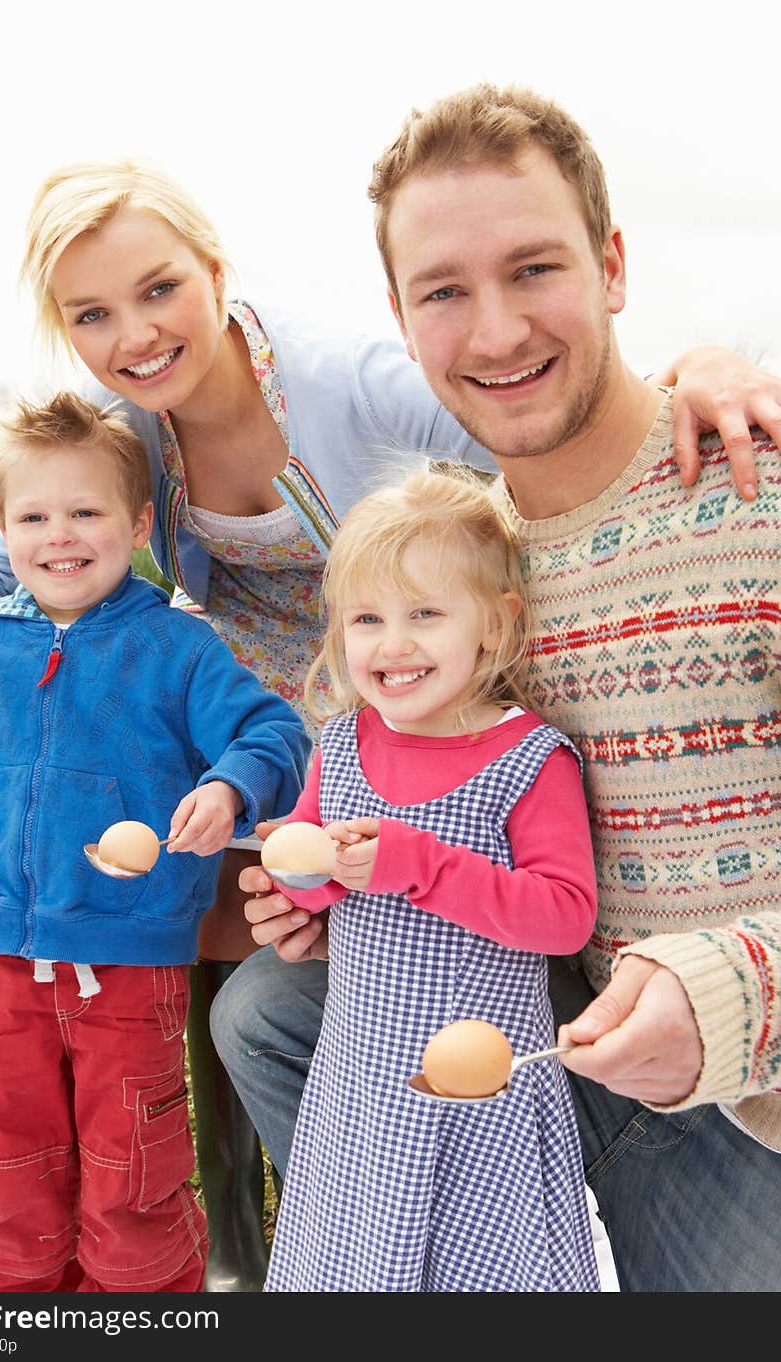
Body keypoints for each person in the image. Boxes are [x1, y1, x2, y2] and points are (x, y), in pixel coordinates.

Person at [0, 160, 778, 1292]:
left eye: (158, 288)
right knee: (247, 960)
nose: (134, 333)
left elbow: (526, 395)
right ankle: (300, 1230)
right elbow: (27, 523)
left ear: (217, 273)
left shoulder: (351, 385)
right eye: (91, 315)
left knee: (291, 953)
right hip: (299, 733)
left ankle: (442, 1199)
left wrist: (693, 370)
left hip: (419, 709)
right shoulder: (136, 425)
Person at [216, 82, 781, 1293]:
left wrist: (741, 985)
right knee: (268, 1006)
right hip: (533, 1022)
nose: (492, 334)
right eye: (444, 292)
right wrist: (328, 895)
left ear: (613, 265)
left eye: (534, 269)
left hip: (750, 1099)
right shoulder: (464, 569)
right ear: (400, 317)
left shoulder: (754, 497)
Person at [0, 391, 308, 1293]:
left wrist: (229, 787)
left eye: (86, 512)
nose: (59, 535)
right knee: (9, 1149)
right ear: (1, 529)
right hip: (3, 962)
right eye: (33, 516)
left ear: (139, 522)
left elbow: (274, 736)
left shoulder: (177, 649)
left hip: (131, 965)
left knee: (130, 1162)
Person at [260, 467, 600, 1291]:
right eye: (367, 619)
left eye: (425, 614)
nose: (393, 644)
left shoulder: (527, 760)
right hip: (363, 1085)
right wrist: (310, 875)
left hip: (483, 1098)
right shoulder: (342, 745)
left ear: (493, 626)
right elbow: (305, 879)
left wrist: (418, 863)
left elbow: (565, 917)